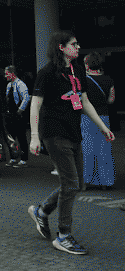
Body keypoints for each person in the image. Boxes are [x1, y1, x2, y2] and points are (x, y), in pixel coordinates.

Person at [28, 32, 115, 255]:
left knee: (75, 182)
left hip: (74, 131)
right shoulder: (46, 73)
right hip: (54, 133)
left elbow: (84, 101)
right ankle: (63, 235)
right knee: (71, 184)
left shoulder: (77, 71)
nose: (78, 47)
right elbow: (35, 105)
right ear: (61, 47)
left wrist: (103, 127)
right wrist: (35, 136)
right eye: (74, 44)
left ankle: (41, 211)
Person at [81, 52, 116, 189]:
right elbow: (111, 100)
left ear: (88, 64)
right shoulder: (109, 80)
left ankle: (86, 181)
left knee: (87, 150)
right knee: (104, 150)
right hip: (104, 118)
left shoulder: (83, 80)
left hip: (87, 118)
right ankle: (105, 182)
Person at [4, 65, 31, 167]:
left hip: (18, 115)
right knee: (11, 137)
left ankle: (24, 159)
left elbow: (26, 98)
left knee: (21, 137)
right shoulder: (9, 85)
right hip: (10, 114)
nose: (5, 76)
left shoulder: (20, 84)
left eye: (7, 74)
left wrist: (20, 110)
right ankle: (13, 157)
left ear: (12, 73)